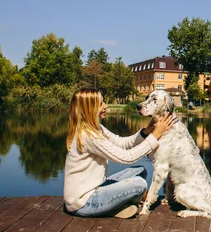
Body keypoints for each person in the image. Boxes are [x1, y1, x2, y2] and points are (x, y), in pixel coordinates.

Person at [63, 88, 174, 218]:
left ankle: (117, 206)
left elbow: (122, 143)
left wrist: (147, 131)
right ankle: (116, 207)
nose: (106, 105)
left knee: (140, 170)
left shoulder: (94, 128)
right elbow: (127, 158)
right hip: (84, 203)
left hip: (95, 188)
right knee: (140, 184)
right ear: (90, 108)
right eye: (101, 104)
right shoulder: (89, 135)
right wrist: (155, 136)